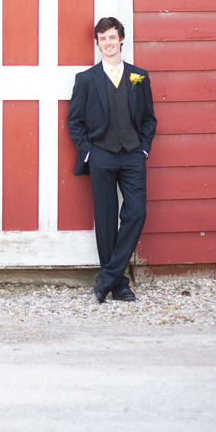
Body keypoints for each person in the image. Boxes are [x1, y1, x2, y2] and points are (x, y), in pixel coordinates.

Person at [67, 16, 157, 304]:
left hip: (132, 154)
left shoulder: (139, 76)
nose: (107, 43)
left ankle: (106, 277)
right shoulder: (86, 79)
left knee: (137, 212)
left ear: (121, 39)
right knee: (105, 220)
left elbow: (148, 119)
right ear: (98, 44)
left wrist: (143, 149)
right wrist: (89, 153)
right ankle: (118, 284)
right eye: (102, 38)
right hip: (101, 155)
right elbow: (75, 122)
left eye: (112, 37)